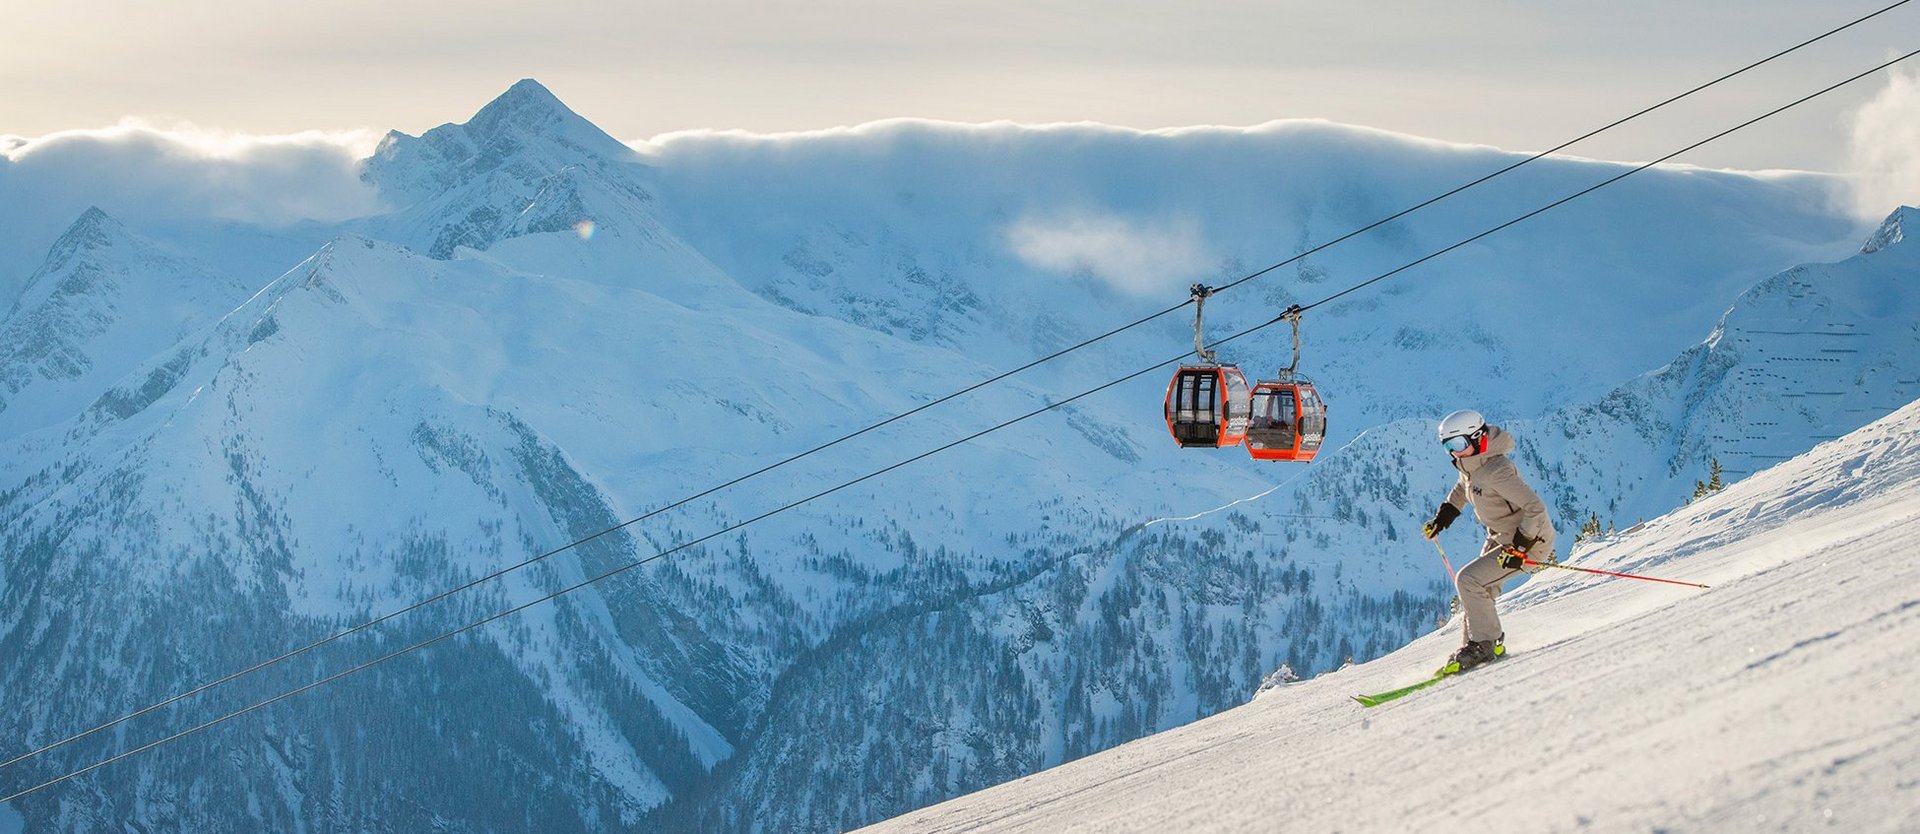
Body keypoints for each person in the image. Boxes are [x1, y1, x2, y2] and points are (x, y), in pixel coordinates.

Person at [1420, 409, 1556, 672]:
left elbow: (1535, 509)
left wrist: (1520, 547)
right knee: (1477, 592)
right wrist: (1443, 517)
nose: (1454, 453)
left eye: (1458, 444)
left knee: (1469, 580)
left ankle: (1484, 645)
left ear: (1477, 437)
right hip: (1501, 538)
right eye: (1448, 446)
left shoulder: (1497, 470)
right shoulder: (1472, 466)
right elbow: (1463, 489)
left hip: (1529, 541)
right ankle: (1476, 645)